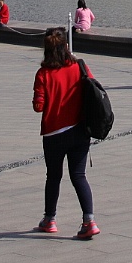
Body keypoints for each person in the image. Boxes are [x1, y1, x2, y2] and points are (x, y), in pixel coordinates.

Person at [32, 27, 99, 239]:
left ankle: (49, 220)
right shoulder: (80, 66)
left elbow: (38, 106)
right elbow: (93, 89)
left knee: (53, 176)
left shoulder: (43, 74)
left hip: (53, 133)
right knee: (79, 175)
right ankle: (89, 221)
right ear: (66, 46)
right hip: (79, 130)